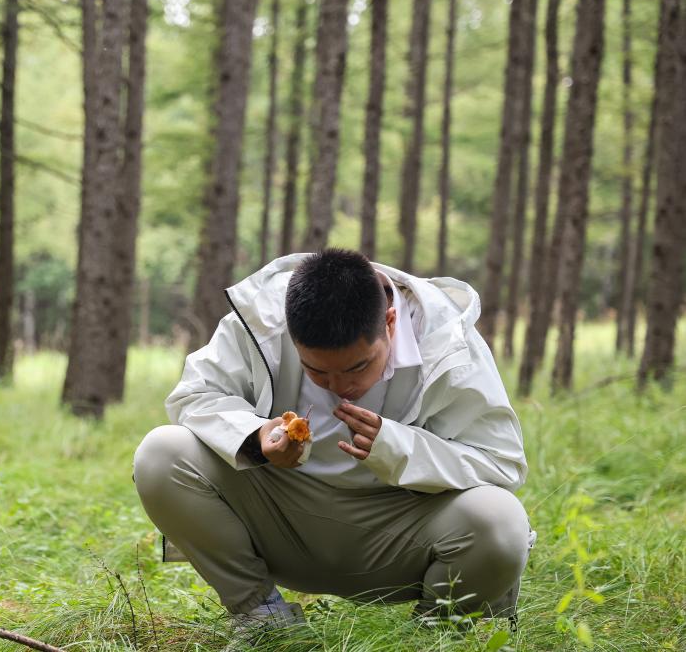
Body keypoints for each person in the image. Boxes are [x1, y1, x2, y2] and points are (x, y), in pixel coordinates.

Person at [133, 249, 534, 636]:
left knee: (500, 522)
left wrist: (398, 447)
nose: (340, 386)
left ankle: (433, 636)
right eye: (316, 371)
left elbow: (502, 463)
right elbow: (194, 395)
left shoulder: (448, 341)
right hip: (281, 517)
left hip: (399, 529)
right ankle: (263, 619)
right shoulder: (263, 317)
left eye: (358, 366)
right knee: (161, 453)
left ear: (390, 322)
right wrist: (255, 437)